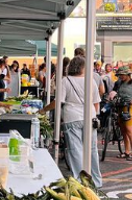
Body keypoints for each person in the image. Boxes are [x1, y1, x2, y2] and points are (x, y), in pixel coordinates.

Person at [43, 58, 103, 187]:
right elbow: (96, 102)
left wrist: (44, 110)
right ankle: (96, 181)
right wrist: (94, 115)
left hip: (72, 117)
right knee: (91, 150)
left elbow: (58, 101)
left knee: (75, 150)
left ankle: (79, 181)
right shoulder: (90, 81)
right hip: (90, 117)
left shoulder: (65, 81)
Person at [112, 67, 132, 159]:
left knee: (129, 130)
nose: (120, 76)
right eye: (119, 75)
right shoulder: (119, 83)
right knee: (123, 131)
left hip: (129, 108)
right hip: (120, 107)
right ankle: (126, 151)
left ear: (127, 74)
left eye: (122, 75)